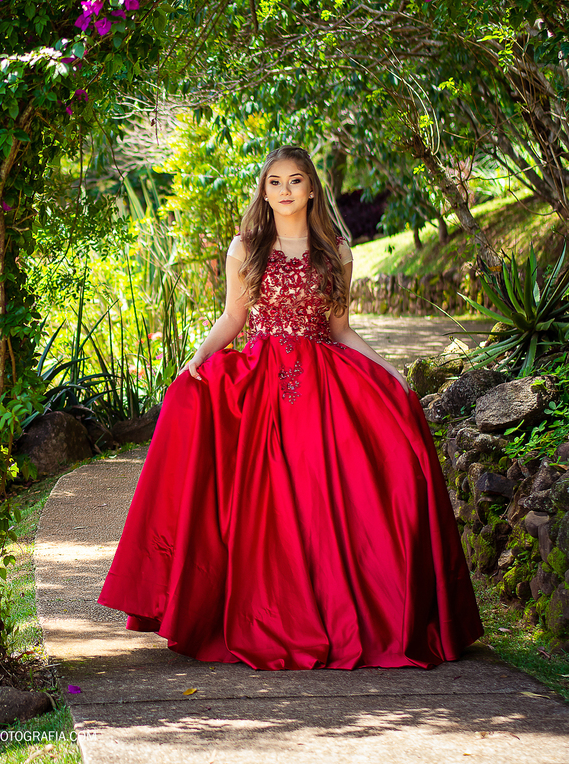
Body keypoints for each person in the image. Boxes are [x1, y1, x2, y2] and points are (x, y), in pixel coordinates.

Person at [96, 145, 483, 670]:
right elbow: (233, 318)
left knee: (344, 487)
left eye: (294, 180)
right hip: (260, 379)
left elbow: (341, 328)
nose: (283, 190)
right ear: (263, 190)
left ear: (312, 188)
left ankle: (358, 610)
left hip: (323, 381)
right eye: (274, 182)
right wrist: (199, 357)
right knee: (260, 500)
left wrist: (390, 372)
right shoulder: (246, 248)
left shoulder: (337, 252)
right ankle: (256, 610)